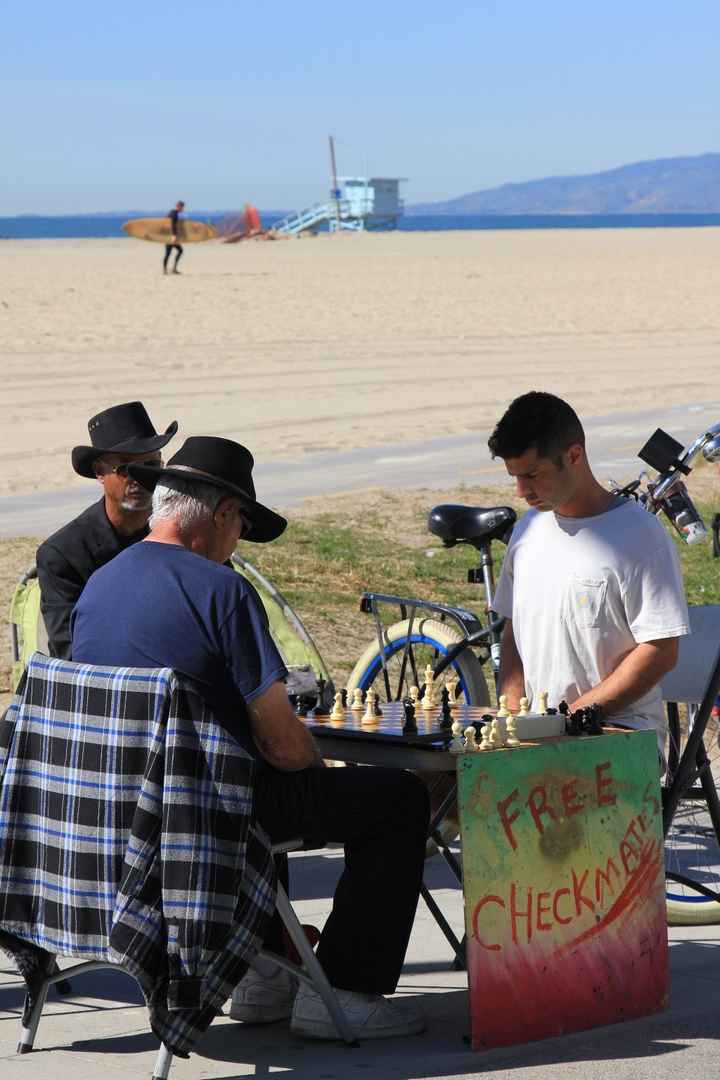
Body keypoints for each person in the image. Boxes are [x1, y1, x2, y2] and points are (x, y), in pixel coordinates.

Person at [70, 435, 429, 1040]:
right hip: (203, 824)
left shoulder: (99, 585)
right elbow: (286, 746)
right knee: (396, 799)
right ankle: (347, 988)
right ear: (223, 514)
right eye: (240, 528)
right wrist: (318, 759)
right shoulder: (223, 591)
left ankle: (263, 977)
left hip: (116, 817)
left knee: (255, 776)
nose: (237, 546)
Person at [488, 391, 689, 752]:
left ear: (574, 455)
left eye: (533, 474)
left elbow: (660, 649)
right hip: (543, 735)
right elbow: (513, 630)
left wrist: (572, 718)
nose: (521, 491)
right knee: (441, 794)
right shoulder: (527, 530)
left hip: (619, 733)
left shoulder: (639, 535)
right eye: (514, 477)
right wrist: (512, 717)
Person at [36, 401, 177, 658]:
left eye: (150, 467)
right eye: (125, 468)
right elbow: (70, 650)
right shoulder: (63, 555)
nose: (139, 478)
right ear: (100, 472)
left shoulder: (184, 530)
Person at [163, 200, 185, 275]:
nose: (183, 209)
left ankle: (171, 269)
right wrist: (174, 235)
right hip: (171, 237)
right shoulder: (174, 213)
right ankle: (167, 270)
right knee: (169, 253)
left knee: (178, 251)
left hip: (169, 235)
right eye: (182, 207)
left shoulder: (172, 213)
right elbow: (172, 224)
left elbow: (166, 222)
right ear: (178, 206)